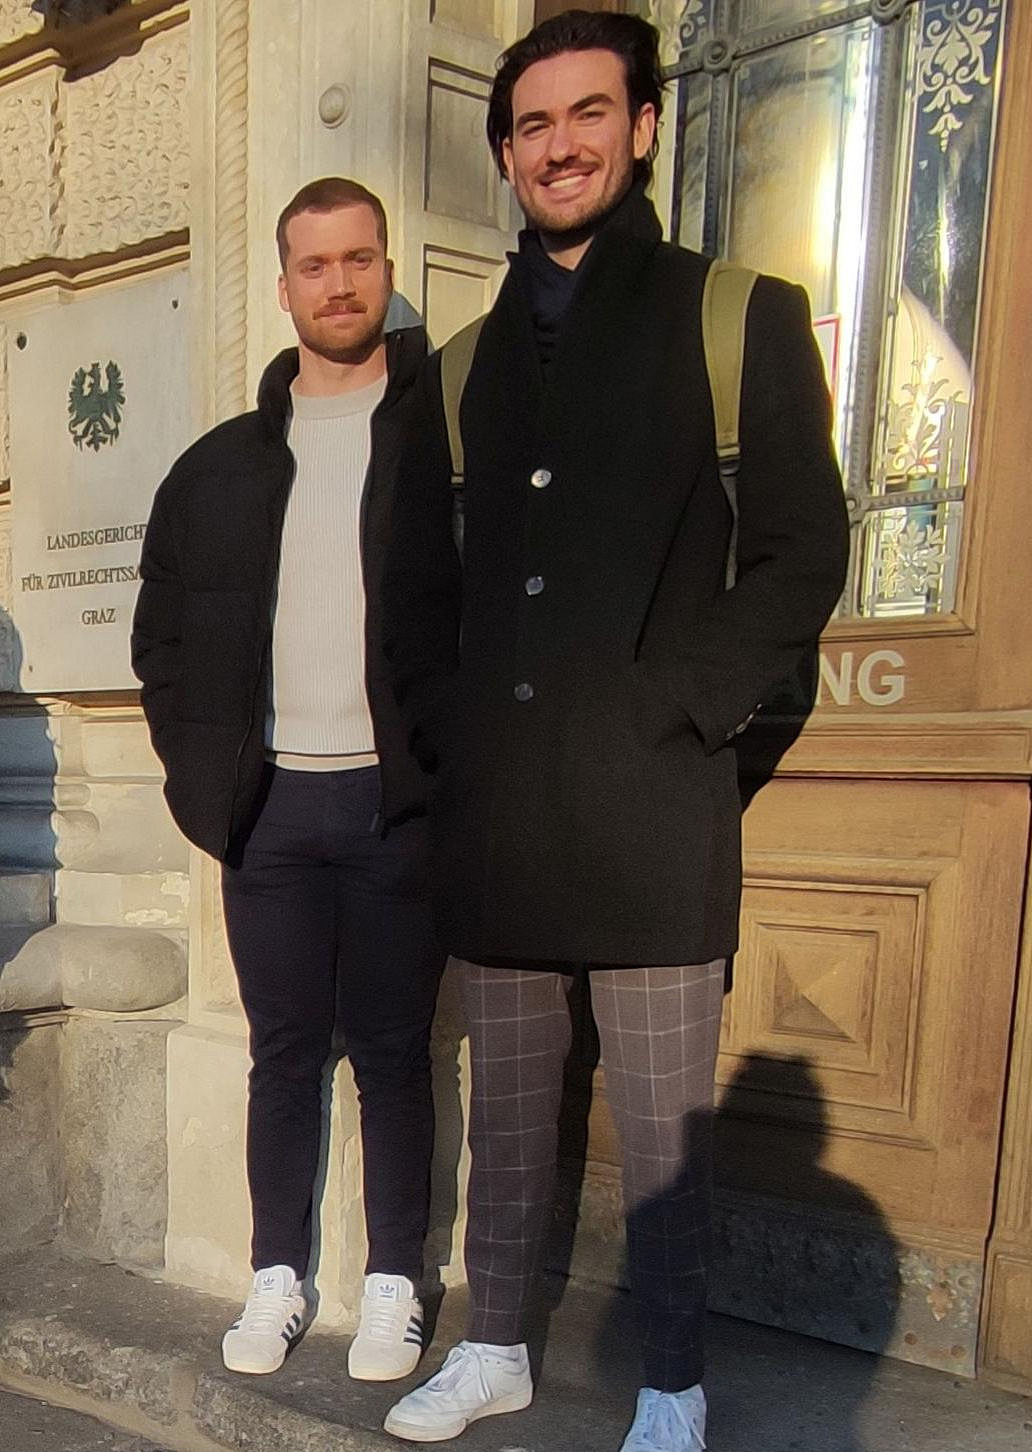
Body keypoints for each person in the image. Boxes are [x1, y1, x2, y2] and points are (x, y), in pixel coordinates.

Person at [379, 13, 849, 1451]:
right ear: (503, 153)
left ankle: (670, 1380)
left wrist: (676, 715)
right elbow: (410, 596)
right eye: (529, 126)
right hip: (502, 819)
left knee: (661, 1139)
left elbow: (796, 554)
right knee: (509, 1126)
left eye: (587, 114)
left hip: (651, 814)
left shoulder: (734, 315)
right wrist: (449, 753)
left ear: (641, 127)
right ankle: (496, 1347)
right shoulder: (449, 371)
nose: (558, 145)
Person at [133, 178, 443, 1383]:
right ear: (283, 286)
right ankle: (277, 1274)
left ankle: (392, 1281)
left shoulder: (437, 447)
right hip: (270, 810)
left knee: (393, 1050)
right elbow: (162, 636)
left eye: (358, 259)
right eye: (314, 264)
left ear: (384, 270)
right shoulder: (219, 467)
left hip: (391, 801)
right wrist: (204, 780)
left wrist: (444, 773)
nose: (339, 283)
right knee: (282, 1048)